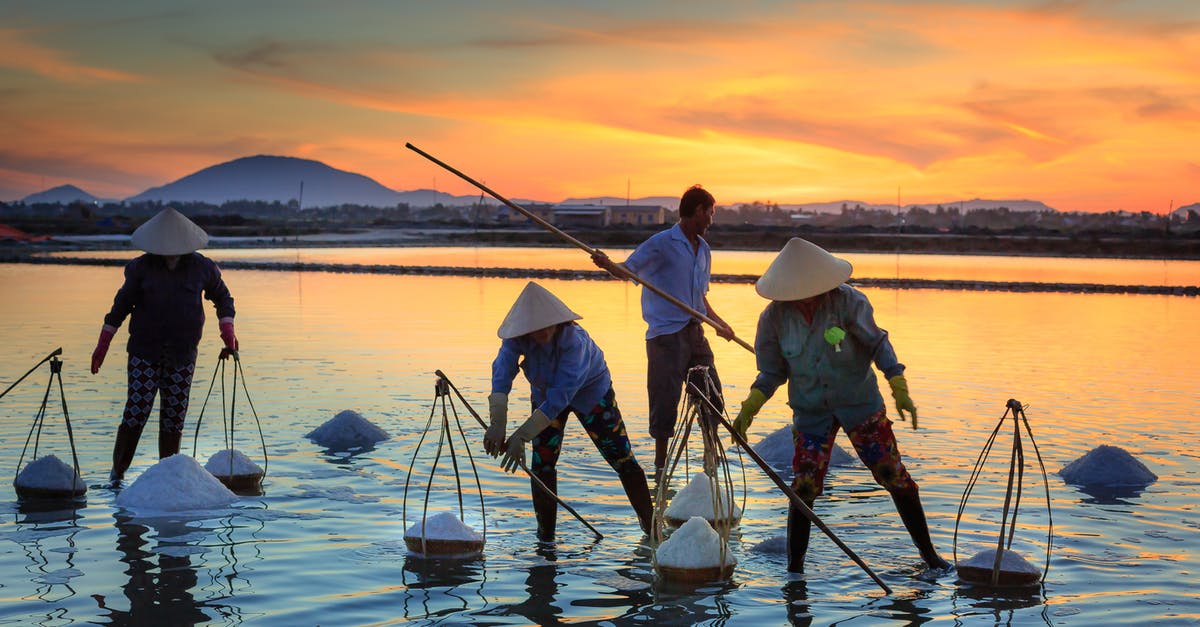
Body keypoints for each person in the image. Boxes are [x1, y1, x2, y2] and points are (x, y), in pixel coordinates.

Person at [731, 237, 950, 573]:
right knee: (803, 487)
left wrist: (897, 382)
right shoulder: (773, 319)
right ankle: (795, 570)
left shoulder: (849, 303)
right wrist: (751, 406)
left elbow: (878, 344)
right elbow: (771, 372)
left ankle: (930, 558)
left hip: (859, 403)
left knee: (894, 476)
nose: (806, 302)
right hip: (811, 412)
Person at [484, 281, 653, 541]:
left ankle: (651, 528)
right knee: (542, 465)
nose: (541, 333)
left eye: (546, 326)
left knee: (622, 459)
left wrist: (522, 435)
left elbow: (561, 397)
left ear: (558, 322)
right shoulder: (515, 340)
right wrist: (498, 423)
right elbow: (502, 373)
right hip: (544, 394)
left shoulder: (575, 342)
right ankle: (546, 537)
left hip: (591, 395)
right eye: (534, 329)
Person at [590, 185, 735, 474]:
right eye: (710, 213)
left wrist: (719, 323)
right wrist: (607, 265)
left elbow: (699, 297)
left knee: (712, 394)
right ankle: (660, 465)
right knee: (664, 400)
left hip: (695, 333)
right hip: (665, 336)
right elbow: (628, 270)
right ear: (697, 211)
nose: (711, 220)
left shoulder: (704, 249)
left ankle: (710, 455)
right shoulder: (661, 243)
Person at [90, 207, 238, 487]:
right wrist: (103, 343)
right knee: (136, 410)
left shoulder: (203, 267)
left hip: (183, 354)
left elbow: (223, 298)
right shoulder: (141, 268)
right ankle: (117, 474)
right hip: (145, 352)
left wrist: (226, 328)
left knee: (174, 416)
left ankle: (166, 477)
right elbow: (120, 306)